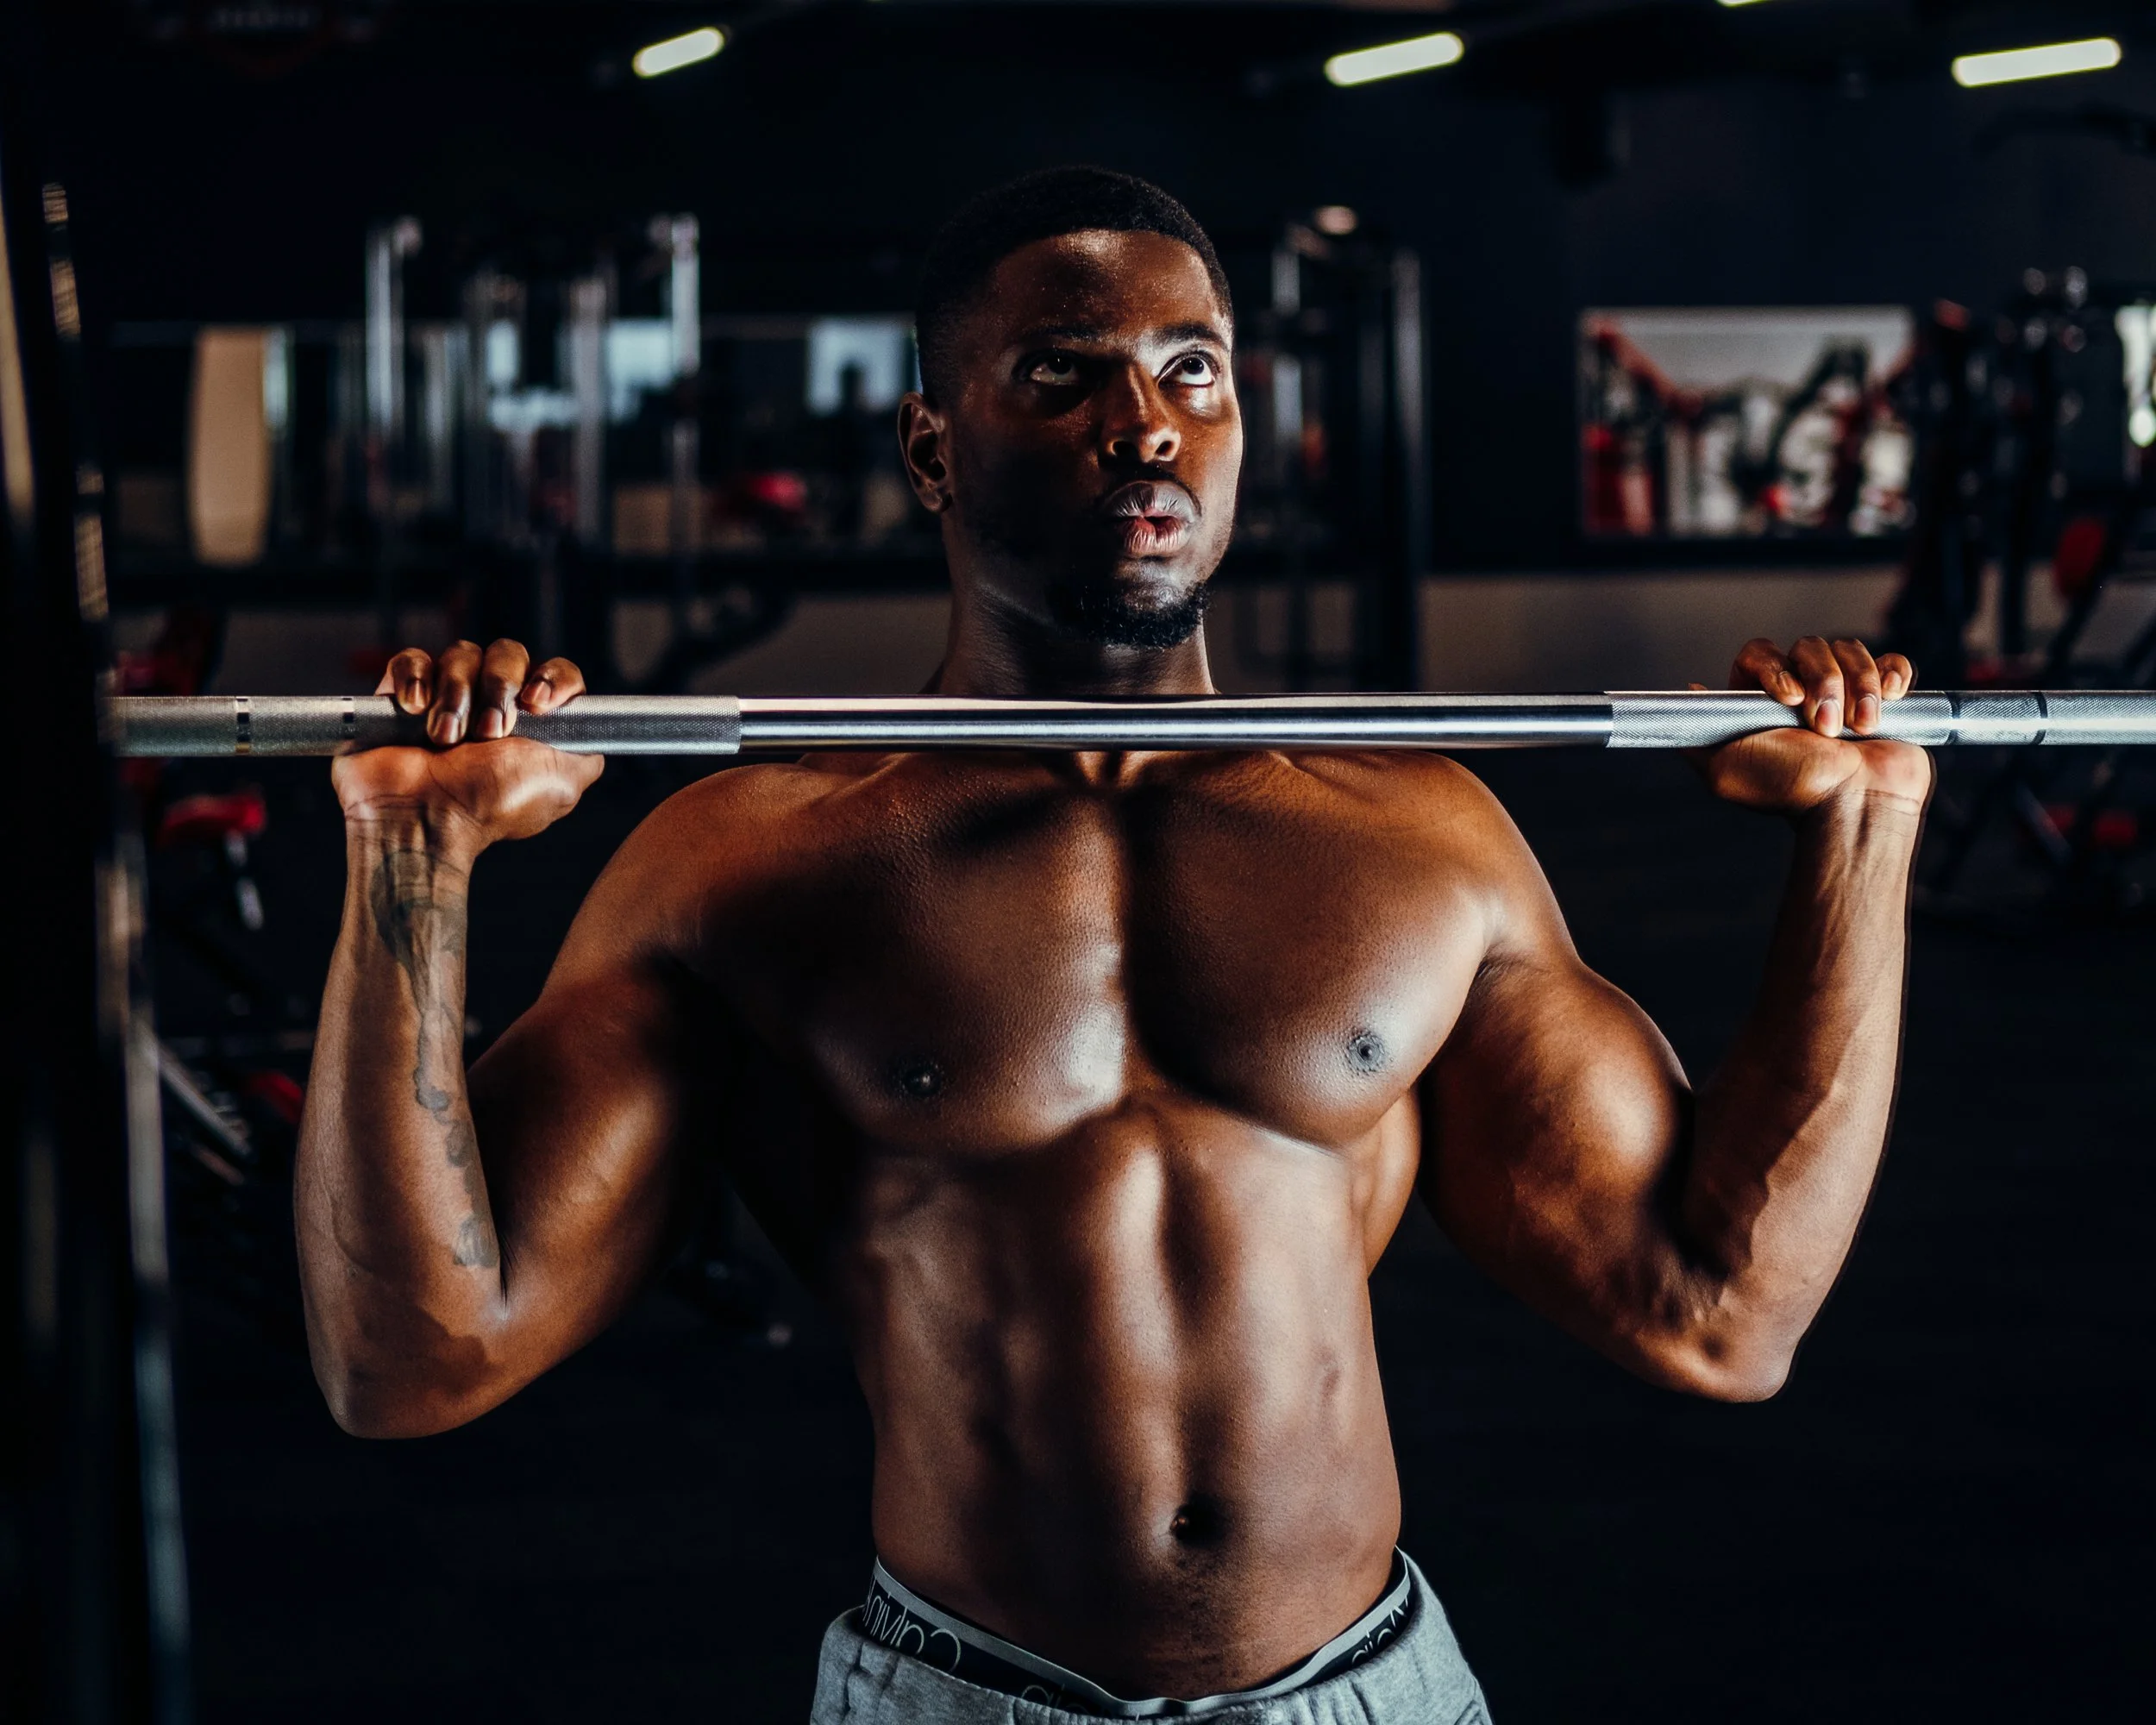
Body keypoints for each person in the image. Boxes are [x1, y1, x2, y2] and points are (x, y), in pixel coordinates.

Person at [295, 168, 1931, 1723]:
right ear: (933, 450)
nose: (1142, 422)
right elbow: (411, 1361)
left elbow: (1718, 1313)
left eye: (1192, 370)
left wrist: (1862, 831)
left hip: (1368, 1691)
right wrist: (410, 861)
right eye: (1062, 374)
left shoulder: (1421, 840)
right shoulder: (751, 864)